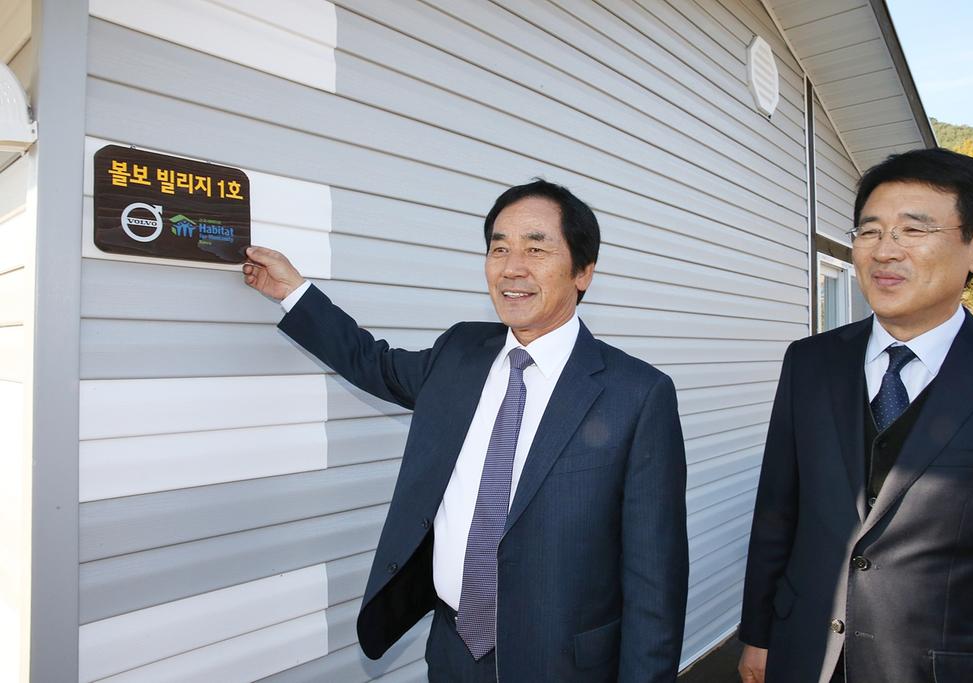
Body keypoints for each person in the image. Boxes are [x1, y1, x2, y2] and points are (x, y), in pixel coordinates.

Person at [244, 180, 688, 682]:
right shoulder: (460, 353)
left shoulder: (637, 394)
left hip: (563, 664)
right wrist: (292, 292)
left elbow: (655, 581)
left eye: (535, 249)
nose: (512, 268)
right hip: (453, 650)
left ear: (583, 271)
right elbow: (374, 363)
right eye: (499, 248)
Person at [737, 148, 973, 683]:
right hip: (806, 653)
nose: (884, 251)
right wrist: (759, 634)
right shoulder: (810, 362)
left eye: (913, 230)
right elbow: (778, 510)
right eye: (869, 232)